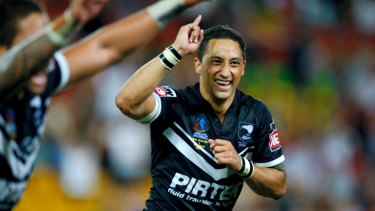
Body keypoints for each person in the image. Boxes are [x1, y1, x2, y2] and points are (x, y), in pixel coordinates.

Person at [0, 0, 207, 210]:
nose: (47, 54)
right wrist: (69, 21)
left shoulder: (42, 78)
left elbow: (106, 47)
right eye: (37, 45)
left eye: (50, 42)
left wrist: (176, 3)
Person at [115, 15, 287, 210]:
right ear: (198, 64)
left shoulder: (256, 113)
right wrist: (176, 51)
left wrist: (242, 165)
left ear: (243, 68)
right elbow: (126, 101)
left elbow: (278, 186)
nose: (225, 72)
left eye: (234, 63)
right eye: (216, 61)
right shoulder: (175, 104)